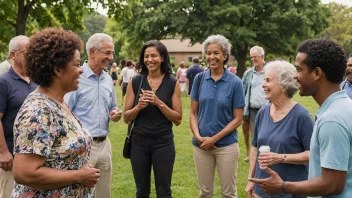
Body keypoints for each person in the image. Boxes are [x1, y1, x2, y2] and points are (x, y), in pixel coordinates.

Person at [249, 39, 352, 197]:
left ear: (316, 73)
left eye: (299, 70)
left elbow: (333, 184)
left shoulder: (332, 119)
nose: (295, 77)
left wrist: (283, 186)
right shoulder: (343, 107)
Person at [11, 28, 99, 197]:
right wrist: (79, 175)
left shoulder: (57, 102)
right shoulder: (38, 111)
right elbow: (24, 172)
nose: (81, 70)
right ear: (58, 69)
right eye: (76, 64)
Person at [245, 60, 314, 198]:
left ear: (284, 85)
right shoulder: (263, 113)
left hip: (289, 193)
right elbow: (255, 148)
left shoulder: (302, 116)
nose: (263, 84)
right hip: (262, 191)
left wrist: (281, 158)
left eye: (268, 80)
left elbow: (312, 154)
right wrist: (251, 180)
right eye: (264, 80)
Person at [66, 33, 122, 198]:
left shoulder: (107, 79)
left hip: (105, 145)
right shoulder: (77, 77)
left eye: (112, 53)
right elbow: (65, 112)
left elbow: (113, 107)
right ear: (92, 52)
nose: (111, 57)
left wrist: (115, 113)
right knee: (81, 193)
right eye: (107, 52)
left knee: (104, 193)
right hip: (82, 147)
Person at [123, 40, 182, 198]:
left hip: (163, 143)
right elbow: (126, 118)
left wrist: (158, 102)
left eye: (154, 56)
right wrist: (138, 107)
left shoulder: (172, 83)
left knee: (164, 192)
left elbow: (177, 119)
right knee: (141, 192)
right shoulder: (135, 82)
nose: (149, 59)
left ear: (162, 58)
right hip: (138, 143)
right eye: (146, 56)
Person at [190, 34, 245, 198]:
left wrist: (214, 139)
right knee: (205, 193)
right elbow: (193, 113)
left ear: (225, 55)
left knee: (228, 194)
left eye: (216, 53)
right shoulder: (199, 79)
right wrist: (198, 137)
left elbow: (238, 119)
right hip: (201, 146)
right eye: (208, 53)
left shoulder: (235, 82)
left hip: (226, 146)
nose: (211, 57)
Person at [0, 35, 36, 198]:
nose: (31, 55)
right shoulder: (4, 82)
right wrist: (3, 152)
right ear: (13, 55)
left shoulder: (37, 81)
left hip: (35, 156)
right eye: (26, 52)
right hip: (12, 158)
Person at [242, 46, 268, 162]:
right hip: (252, 109)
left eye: (255, 57)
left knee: (267, 132)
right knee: (255, 135)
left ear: (262, 57)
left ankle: (266, 155)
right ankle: (254, 156)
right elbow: (243, 90)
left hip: (267, 108)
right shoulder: (248, 73)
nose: (253, 59)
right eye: (251, 57)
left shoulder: (270, 71)